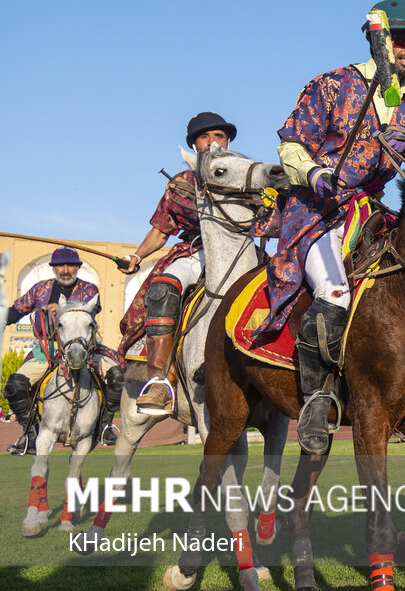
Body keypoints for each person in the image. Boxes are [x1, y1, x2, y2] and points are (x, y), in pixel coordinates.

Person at [255, 0, 405, 455]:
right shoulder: (331, 86)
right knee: (334, 293)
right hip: (316, 212)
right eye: (403, 39)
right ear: (379, 38)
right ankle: (317, 399)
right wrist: (313, 172)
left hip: (369, 212)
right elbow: (292, 147)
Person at [120, 112, 239, 415]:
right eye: (205, 137)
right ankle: (159, 382)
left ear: (228, 141)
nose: (213, 142)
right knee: (163, 288)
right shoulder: (181, 183)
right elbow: (161, 230)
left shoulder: (246, 173)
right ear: (195, 145)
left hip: (239, 254)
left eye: (219, 136)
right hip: (195, 253)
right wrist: (136, 256)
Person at [3, 247, 123, 451]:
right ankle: (30, 434)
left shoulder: (89, 289)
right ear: (53, 268)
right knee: (14, 385)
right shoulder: (40, 289)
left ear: (77, 267)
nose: (65, 270)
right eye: (60, 265)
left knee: (117, 377)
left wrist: (62, 310)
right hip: (47, 352)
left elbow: (90, 309)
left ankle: (104, 425)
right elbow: (15, 312)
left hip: (86, 350)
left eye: (70, 265)